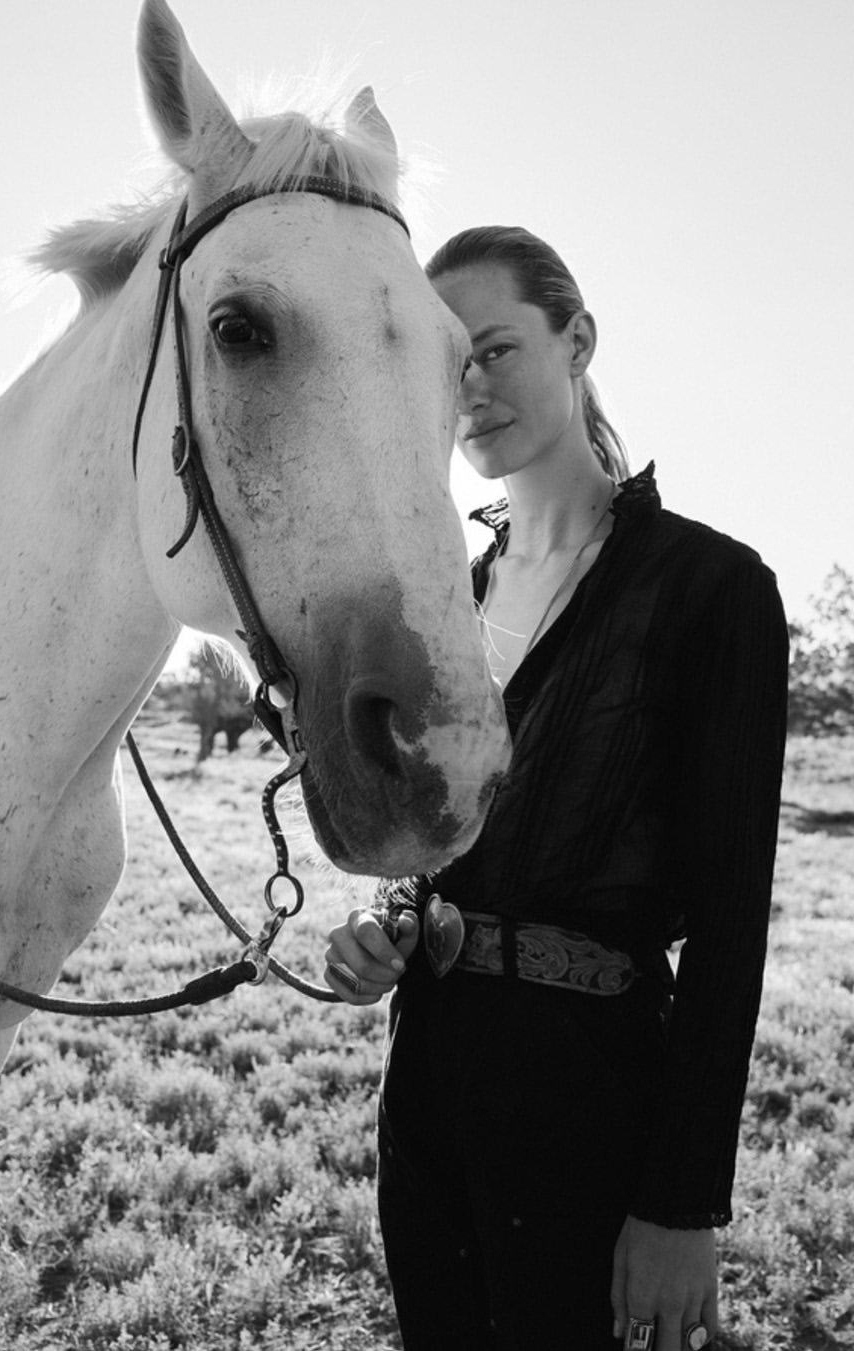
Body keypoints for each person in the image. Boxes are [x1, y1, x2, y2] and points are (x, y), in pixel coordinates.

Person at [323, 225, 788, 1351]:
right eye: (448, 368)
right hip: (428, 1085)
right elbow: (445, 844)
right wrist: (384, 928)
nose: (471, 389)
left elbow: (730, 934)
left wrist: (681, 1204)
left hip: (592, 1102)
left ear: (578, 339)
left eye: (495, 350)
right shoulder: (444, 595)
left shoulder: (712, 588)